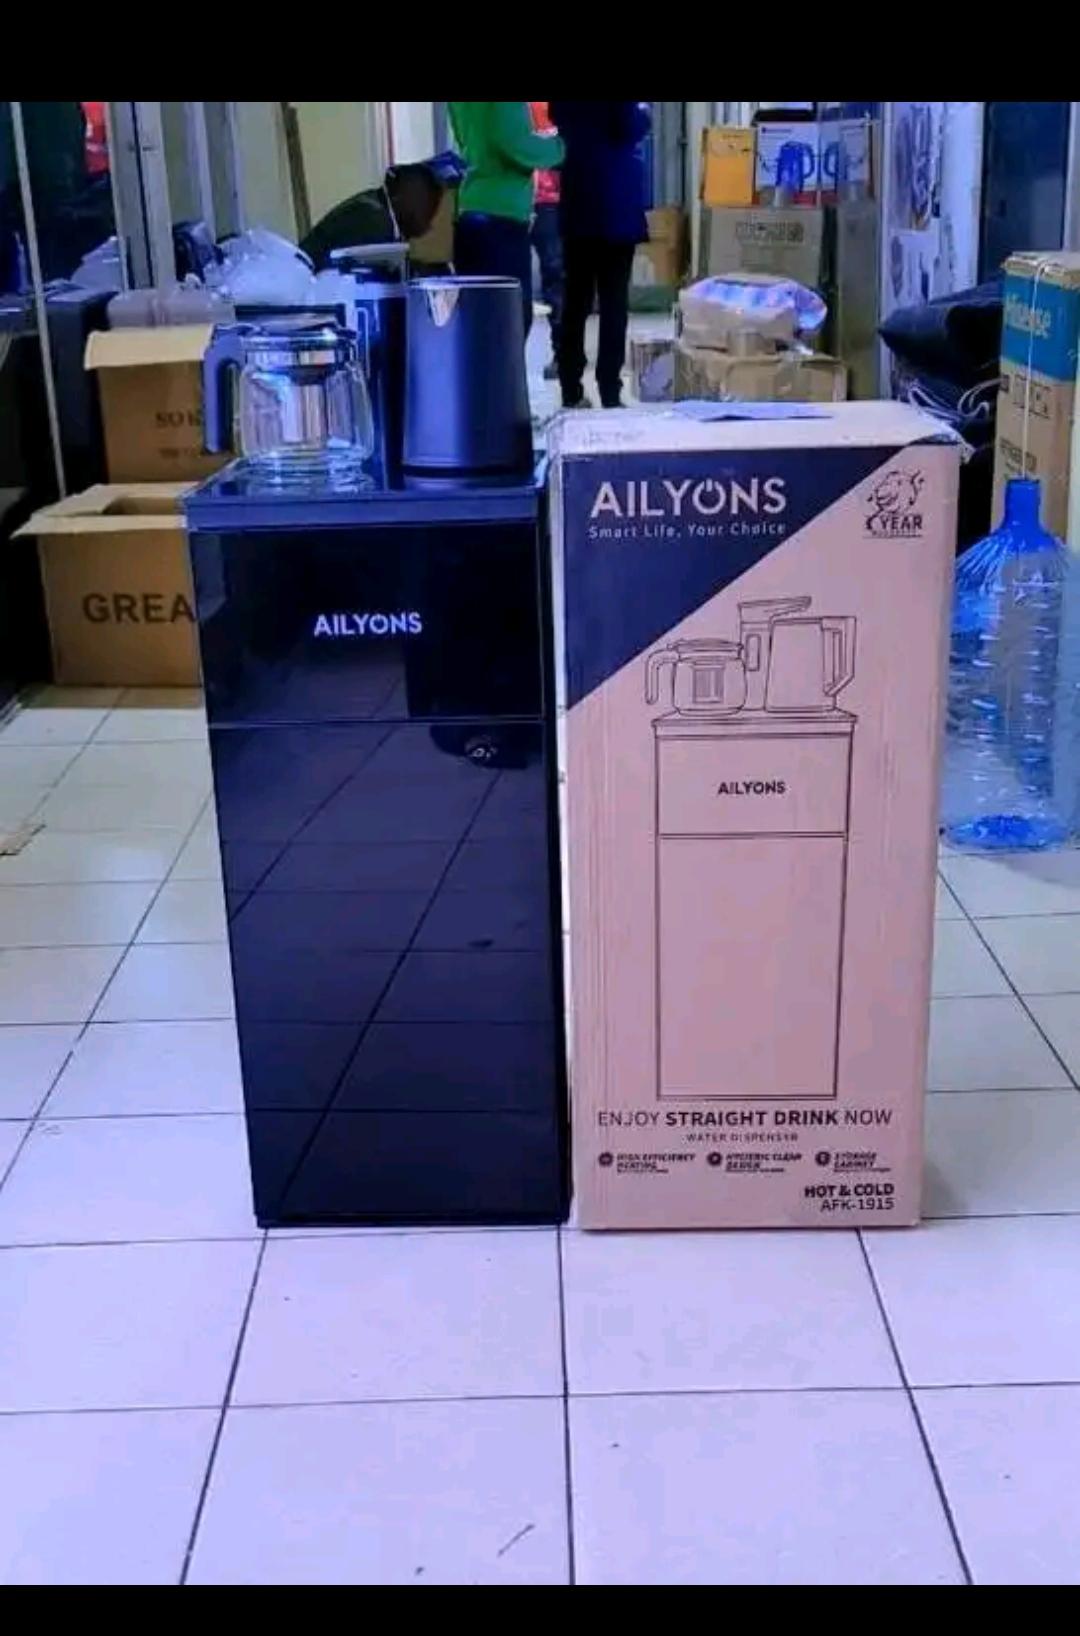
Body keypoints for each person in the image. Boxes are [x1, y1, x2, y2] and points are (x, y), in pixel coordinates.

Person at [549, 101, 651, 409]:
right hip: (615, 207)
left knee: (575, 301)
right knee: (613, 301)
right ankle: (609, 388)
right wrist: (644, 112)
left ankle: (570, 386)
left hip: (578, 201)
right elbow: (630, 125)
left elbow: (557, 116)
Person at [447, 102, 564, 339]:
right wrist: (561, 148)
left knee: (478, 324)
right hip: (501, 215)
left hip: (470, 210)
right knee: (510, 323)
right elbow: (514, 144)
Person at [528, 101, 564, 380]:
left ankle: (564, 352)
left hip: (554, 198)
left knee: (557, 275)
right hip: (533, 199)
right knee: (555, 275)